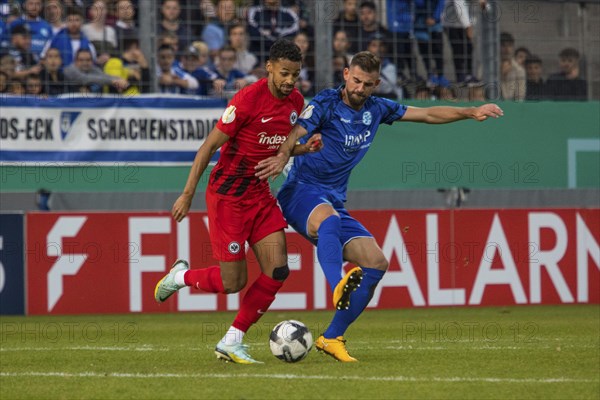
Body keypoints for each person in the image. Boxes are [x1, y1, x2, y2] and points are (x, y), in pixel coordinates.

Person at [255, 51, 503, 362]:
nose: (359, 88)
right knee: (329, 222)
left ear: (376, 84)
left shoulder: (377, 108)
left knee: (376, 262)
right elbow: (296, 133)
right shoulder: (326, 103)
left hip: (333, 199)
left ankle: (332, 337)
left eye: (367, 84)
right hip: (301, 192)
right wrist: (281, 156)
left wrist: (470, 111)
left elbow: (426, 115)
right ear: (346, 74)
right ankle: (337, 286)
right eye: (356, 80)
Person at [153, 38, 323, 364]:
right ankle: (181, 277)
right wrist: (187, 194)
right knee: (234, 282)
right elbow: (206, 149)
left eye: (296, 75)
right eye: (284, 73)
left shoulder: (296, 102)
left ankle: (233, 340)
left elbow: (277, 147)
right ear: (270, 67)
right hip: (228, 197)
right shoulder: (247, 100)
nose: (290, 81)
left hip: (259, 195)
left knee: (278, 269)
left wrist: (304, 148)